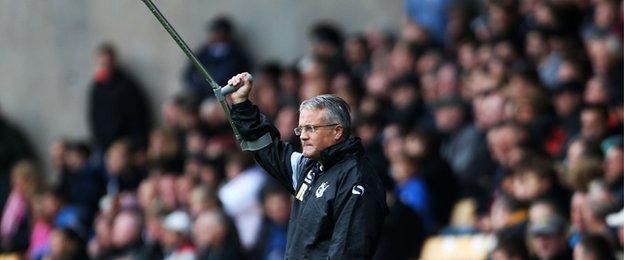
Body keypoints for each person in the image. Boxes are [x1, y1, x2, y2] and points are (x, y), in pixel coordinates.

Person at [227, 73, 387, 259]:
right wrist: (241, 104)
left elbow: (348, 252)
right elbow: (268, 149)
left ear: (337, 131)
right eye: (300, 129)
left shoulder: (356, 177)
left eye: (311, 128)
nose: (302, 136)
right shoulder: (310, 167)